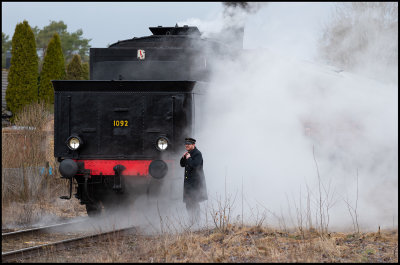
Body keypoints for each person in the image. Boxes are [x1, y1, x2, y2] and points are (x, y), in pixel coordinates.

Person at [180, 137, 207, 221]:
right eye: (186, 144)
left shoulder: (197, 153)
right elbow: (182, 164)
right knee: (188, 203)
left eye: (188, 144)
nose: (186, 145)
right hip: (188, 184)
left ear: (193, 145)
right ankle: (191, 220)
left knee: (194, 203)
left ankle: (196, 221)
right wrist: (183, 157)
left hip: (195, 183)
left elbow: (195, 165)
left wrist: (189, 158)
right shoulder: (189, 153)